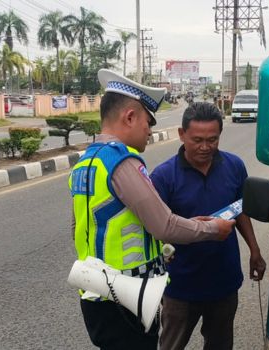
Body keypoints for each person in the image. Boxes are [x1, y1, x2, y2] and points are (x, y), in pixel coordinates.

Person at [69, 69, 236, 350]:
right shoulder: (123, 163)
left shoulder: (86, 163)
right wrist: (212, 228)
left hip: (96, 291)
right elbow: (164, 225)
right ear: (130, 117)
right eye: (148, 121)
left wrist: (160, 248)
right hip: (127, 295)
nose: (149, 129)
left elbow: (83, 229)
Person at [150, 102, 267, 350]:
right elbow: (155, 228)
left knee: (220, 344)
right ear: (182, 135)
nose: (205, 147)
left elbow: (240, 210)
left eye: (212, 140)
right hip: (180, 285)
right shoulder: (163, 177)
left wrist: (254, 250)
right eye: (197, 140)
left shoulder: (234, 166)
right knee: (171, 345)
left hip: (223, 282)